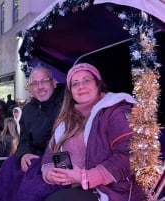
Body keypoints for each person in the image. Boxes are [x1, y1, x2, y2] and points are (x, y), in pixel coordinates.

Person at [41, 63, 145, 201]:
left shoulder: (115, 110)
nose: (81, 86)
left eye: (86, 80)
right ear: (70, 91)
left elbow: (130, 155)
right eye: (75, 83)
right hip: (73, 186)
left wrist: (86, 177)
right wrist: (49, 172)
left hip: (112, 190)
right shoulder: (66, 120)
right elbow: (49, 154)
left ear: (98, 84)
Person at [0, 64, 65, 201]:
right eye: (35, 83)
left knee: (30, 191)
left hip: (60, 158)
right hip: (34, 158)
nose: (40, 87)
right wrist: (23, 155)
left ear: (54, 83)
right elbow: (24, 140)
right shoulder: (28, 109)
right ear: (30, 88)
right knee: (4, 177)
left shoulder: (67, 103)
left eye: (44, 81)